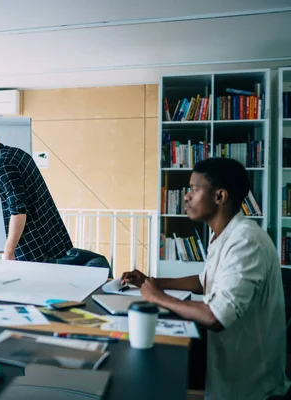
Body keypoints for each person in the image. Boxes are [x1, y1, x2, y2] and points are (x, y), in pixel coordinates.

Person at [122, 158, 289, 400]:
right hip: (228, 370)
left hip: (251, 385)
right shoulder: (224, 234)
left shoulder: (245, 241)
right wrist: (153, 281)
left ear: (220, 196)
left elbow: (216, 316)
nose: (186, 197)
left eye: (194, 189)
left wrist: (159, 297)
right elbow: (205, 280)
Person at [0, 117, 72, 262]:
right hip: (51, 238)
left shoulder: (4, 165)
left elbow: (18, 211)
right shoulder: (15, 154)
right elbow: (2, 187)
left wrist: (8, 251)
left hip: (35, 247)